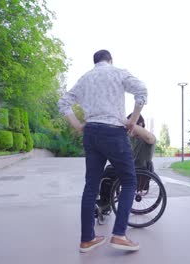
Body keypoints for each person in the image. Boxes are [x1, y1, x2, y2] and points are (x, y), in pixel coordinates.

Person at [58, 49, 147, 253]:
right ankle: (119, 235)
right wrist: (132, 121)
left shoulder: (85, 78)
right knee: (129, 180)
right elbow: (142, 91)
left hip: (91, 133)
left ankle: (87, 239)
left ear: (95, 62)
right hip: (113, 132)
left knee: (91, 186)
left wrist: (79, 126)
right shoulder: (118, 72)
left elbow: (62, 103)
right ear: (110, 60)